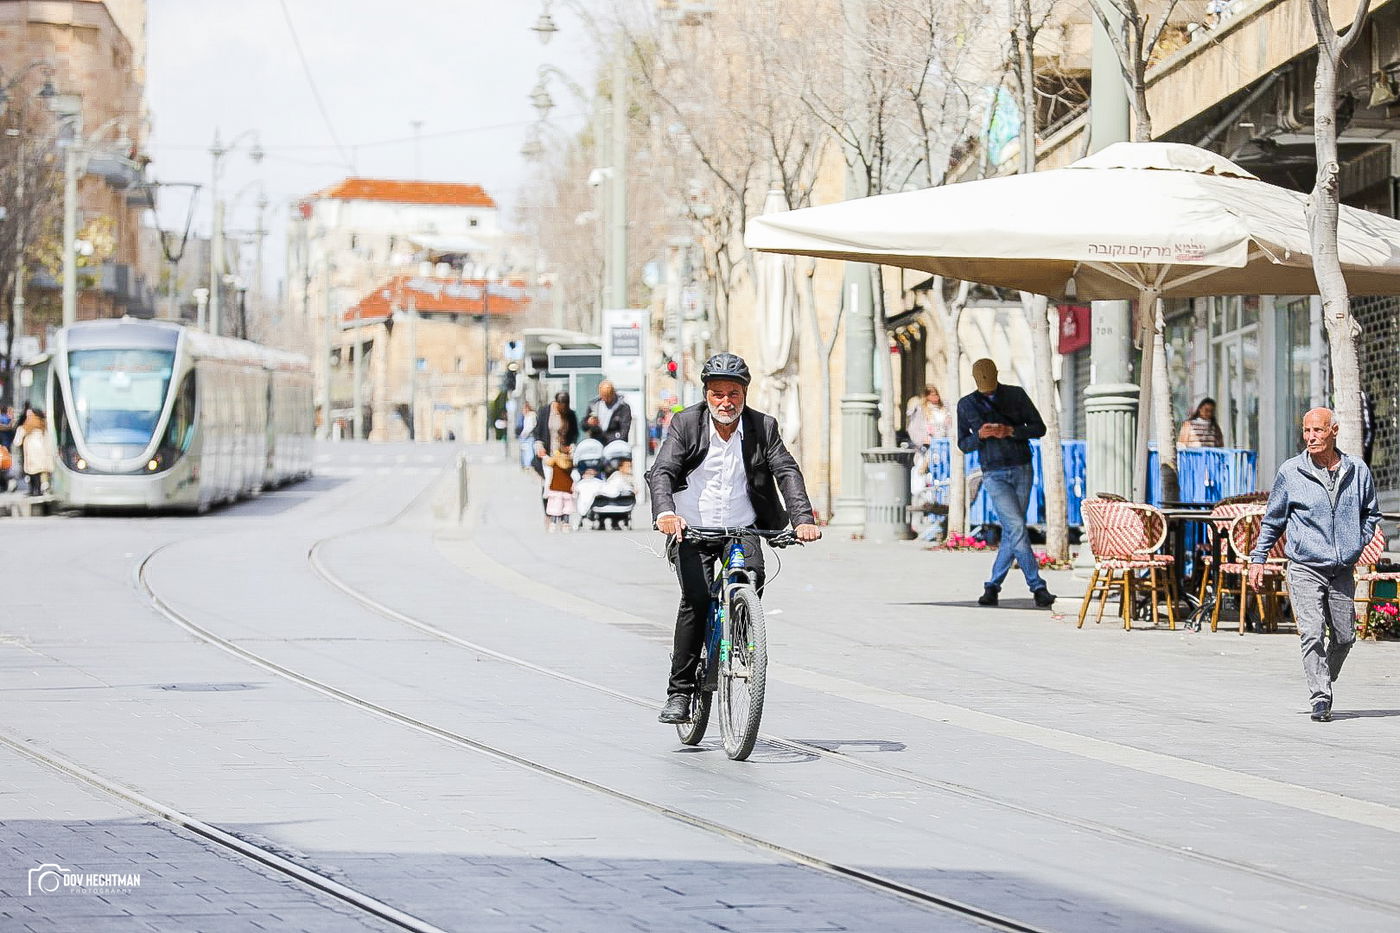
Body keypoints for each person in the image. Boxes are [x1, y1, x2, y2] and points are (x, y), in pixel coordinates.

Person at [648, 352, 821, 723]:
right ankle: (680, 692)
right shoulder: (686, 423)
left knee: (752, 575)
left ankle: (740, 628)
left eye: (733, 394)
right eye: (718, 394)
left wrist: (802, 519)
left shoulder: (763, 427)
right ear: (706, 395)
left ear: (744, 394)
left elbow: (786, 471)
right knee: (696, 599)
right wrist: (665, 513)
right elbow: (662, 471)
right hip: (691, 528)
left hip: (742, 528)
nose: (725, 402)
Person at [1249, 408, 1381, 722]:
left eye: (1318, 431)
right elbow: (1273, 521)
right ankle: (1320, 697)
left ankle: (1324, 676)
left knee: (1345, 637)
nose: (1310, 437)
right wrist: (1258, 559)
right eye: (1307, 431)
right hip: (1304, 566)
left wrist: (1356, 542)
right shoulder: (1291, 472)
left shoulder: (1357, 470)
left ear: (1334, 431)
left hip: (1341, 569)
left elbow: (1371, 514)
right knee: (1311, 633)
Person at [956, 359, 1055, 608]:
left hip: (1022, 467)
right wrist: (980, 436)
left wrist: (1011, 431)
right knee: (1017, 526)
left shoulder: (1016, 395)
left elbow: (1039, 428)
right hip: (993, 472)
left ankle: (992, 587)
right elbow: (963, 444)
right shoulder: (966, 404)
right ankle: (1038, 587)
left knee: (1013, 529)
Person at [12, 408, 55, 496]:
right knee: (36, 472)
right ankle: (36, 490)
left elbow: (17, 441)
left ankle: (35, 490)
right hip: (40, 453)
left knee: (33, 472)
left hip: (32, 453)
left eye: (30, 415)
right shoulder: (43, 425)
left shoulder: (26, 426)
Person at [542, 432, 576, 532]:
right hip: (567, 487)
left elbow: (547, 462)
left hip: (556, 487)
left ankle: (553, 523)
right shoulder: (570, 460)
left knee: (555, 506)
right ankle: (565, 523)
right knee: (567, 506)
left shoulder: (555, 459)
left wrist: (545, 456)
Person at [584, 380, 633, 445]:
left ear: (613, 393)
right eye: (603, 396)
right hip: (597, 444)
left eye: (608, 396)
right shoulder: (594, 405)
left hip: (615, 444)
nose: (605, 399)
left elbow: (624, 432)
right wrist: (588, 423)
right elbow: (583, 426)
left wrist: (606, 438)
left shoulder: (623, 407)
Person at [906, 385, 952, 449]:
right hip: (929, 444)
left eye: (936, 394)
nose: (936, 397)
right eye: (932, 395)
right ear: (927, 396)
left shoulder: (944, 408)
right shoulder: (921, 410)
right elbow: (914, 427)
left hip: (944, 442)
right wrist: (923, 439)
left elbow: (949, 425)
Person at [518, 402, 538, 471]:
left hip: (529, 436)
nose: (523, 411)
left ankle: (529, 465)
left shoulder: (531, 415)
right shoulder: (527, 416)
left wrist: (524, 433)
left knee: (529, 451)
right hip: (526, 436)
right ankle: (526, 465)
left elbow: (530, 426)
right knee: (525, 451)